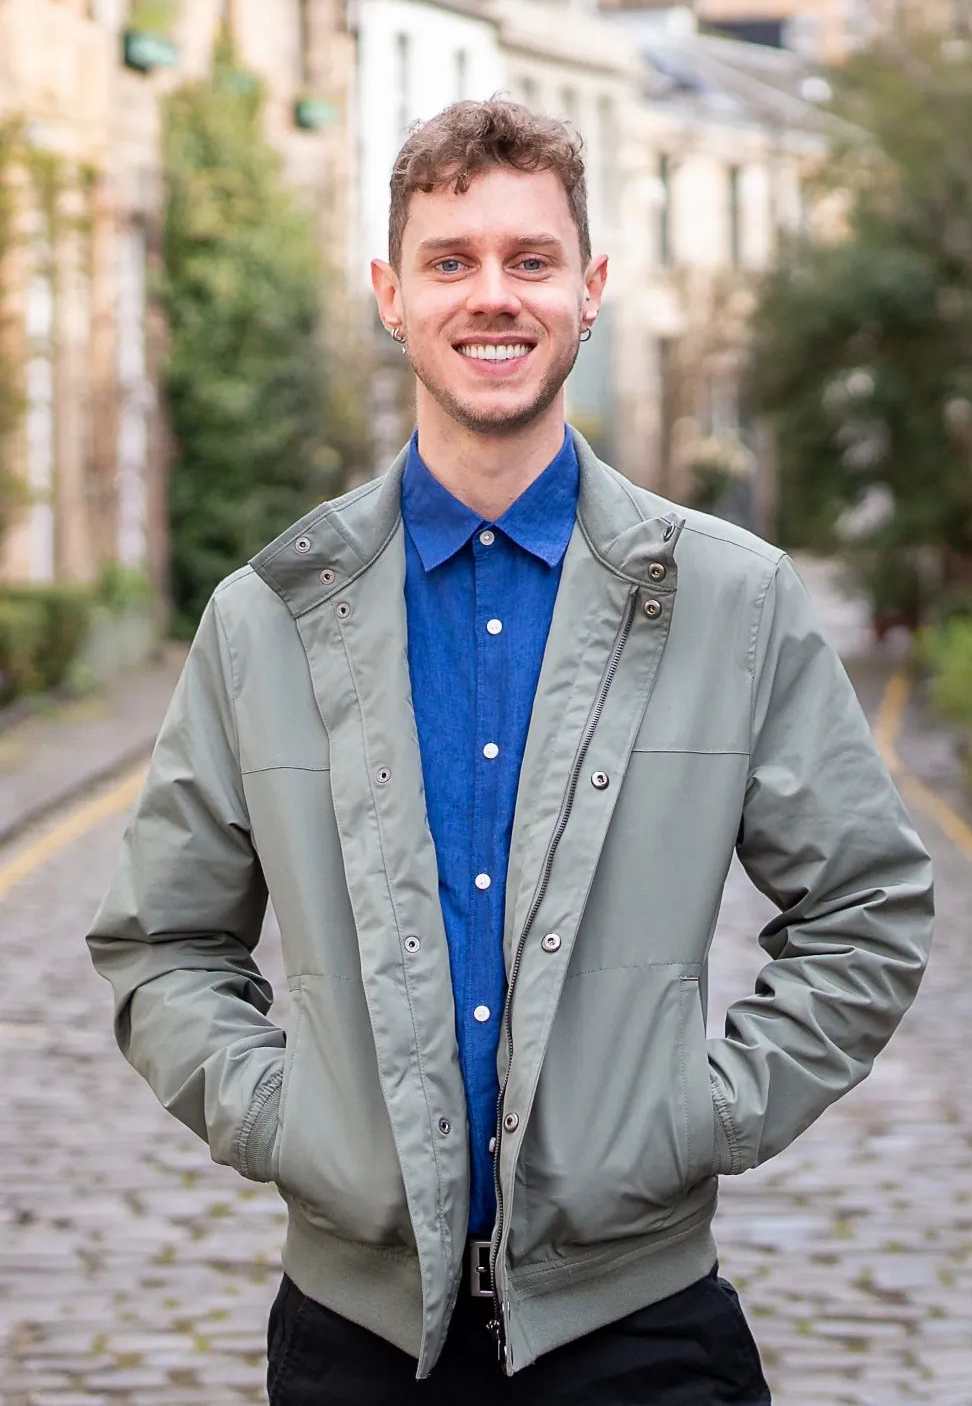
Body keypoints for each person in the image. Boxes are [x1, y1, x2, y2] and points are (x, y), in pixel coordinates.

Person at [87, 98, 934, 1405]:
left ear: (590, 289)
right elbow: (163, 943)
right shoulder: (266, 619)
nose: (494, 297)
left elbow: (869, 909)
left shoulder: (729, 601)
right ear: (390, 293)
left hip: (644, 1336)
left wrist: (691, 1120)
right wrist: (286, 1122)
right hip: (350, 1342)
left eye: (531, 260)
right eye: (451, 260)